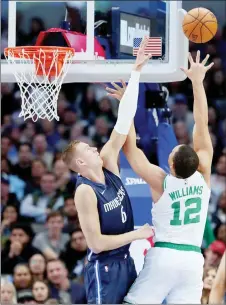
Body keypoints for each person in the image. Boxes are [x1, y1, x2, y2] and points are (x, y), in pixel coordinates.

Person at [107, 51, 214, 304]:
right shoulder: (205, 172)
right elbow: (202, 123)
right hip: (192, 261)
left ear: (170, 164)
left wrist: (126, 106)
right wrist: (197, 83)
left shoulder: (162, 181)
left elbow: (129, 149)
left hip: (165, 255)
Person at [61, 37, 154, 304]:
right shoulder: (85, 192)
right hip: (105, 269)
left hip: (126, 260)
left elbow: (123, 122)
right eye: (87, 150)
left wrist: (136, 72)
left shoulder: (107, 160)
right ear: (80, 164)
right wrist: (137, 234)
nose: (94, 149)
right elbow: (97, 244)